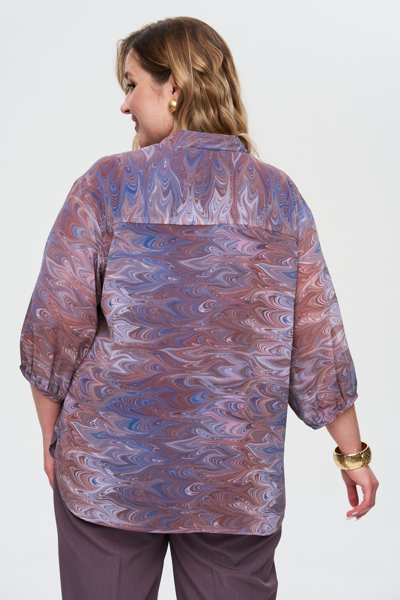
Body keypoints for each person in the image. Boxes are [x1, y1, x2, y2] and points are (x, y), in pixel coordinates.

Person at [19, 15, 379, 600]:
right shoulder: (277, 197)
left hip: (109, 470)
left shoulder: (108, 185)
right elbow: (317, 340)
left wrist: (52, 437)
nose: (124, 104)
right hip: (232, 480)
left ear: (175, 87)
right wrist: (352, 454)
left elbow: (54, 325)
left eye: (132, 84)